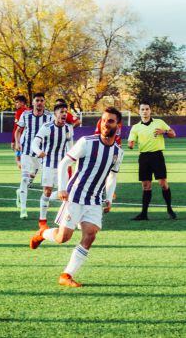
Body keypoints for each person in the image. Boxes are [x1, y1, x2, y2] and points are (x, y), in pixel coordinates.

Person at [30, 107, 124, 287]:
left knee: (90, 235)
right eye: (103, 120)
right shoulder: (86, 142)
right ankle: (42, 233)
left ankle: (66, 275)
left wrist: (109, 197)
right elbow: (65, 163)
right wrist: (62, 188)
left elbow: (112, 176)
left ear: (118, 125)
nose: (105, 124)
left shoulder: (118, 152)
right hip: (75, 196)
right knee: (62, 237)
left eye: (110, 121)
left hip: (95, 200)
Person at [128, 103, 177, 220]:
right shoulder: (135, 127)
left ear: (150, 111)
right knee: (146, 186)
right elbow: (131, 142)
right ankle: (144, 214)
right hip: (144, 157)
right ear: (139, 112)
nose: (145, 111)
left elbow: (173, 134)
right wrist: (131, 144)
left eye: (147, 109)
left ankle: (169, 209)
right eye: (142, 109)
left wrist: (164, 132)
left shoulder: (159, 122)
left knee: (163, 184)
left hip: (157, 156)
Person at [31, 102, 73, 230]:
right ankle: (42, 221)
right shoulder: (47, 127)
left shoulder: (68, 128)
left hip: (62, 166)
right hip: (48, 165)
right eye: (61, 112)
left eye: (66, 112)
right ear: (55, 114)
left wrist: (71, 161)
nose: (64, 114)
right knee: (47, 192)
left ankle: (68, 221)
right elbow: (34, 143)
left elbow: (70, 147)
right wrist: (39, 152)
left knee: (66, 193)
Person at [14, 93, 53, 219]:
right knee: (24, 179)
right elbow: (18, 131)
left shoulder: (49, 117)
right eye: (37, 100)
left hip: (41, 154)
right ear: (33, 103)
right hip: (26, 152)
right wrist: (18, 143)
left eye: (42, 100)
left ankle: (19, 193)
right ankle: (23, 210)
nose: (39, 103)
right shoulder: (25, 115)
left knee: (31, 179)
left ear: (44, 102)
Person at [11, 95, 31, 169]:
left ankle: (24, 171)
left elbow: (16, 128)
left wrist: (14, 141)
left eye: (17, 102)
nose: (15, 104)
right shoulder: (29, 111)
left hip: (20, 138)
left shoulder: (20, 111)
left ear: (22, 103)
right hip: (29, 137)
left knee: (18, 158)